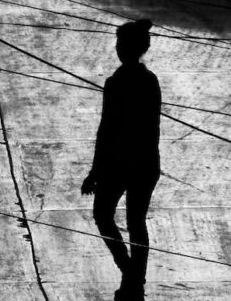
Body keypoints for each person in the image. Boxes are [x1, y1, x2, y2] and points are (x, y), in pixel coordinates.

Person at [81, 19, 161, 301]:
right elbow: (150, 127)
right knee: (136, 221)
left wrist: (95, 170)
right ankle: (135, 277)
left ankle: (129, 270)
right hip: (147, 161)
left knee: (103, 216)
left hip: (118, 162)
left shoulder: (116, 83)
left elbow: (107, 129)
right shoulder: (150, 81)